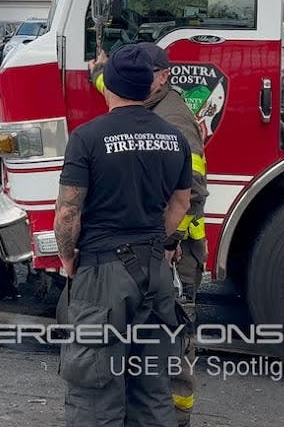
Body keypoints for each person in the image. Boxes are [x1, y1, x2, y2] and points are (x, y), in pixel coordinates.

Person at [54, 44, 192, 427]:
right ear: (148, 86)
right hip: (155, 272)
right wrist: (152, 240)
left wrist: (67, 258)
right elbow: (182, 203)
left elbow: (67, 212)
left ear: (110, 85)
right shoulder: (174, 137)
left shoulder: (87, 137)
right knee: (152, 386)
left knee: (94, 387)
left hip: (103, 275)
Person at [94, 43, 209, 426]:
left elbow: (192, 193)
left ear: (163, 77)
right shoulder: (146, 100)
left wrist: (170, 242)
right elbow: (114, 86)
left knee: (172, 346)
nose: (137, 80)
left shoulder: (174, 120)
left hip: (176, 251)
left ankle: (177, 417)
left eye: (147, 73)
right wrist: (98, 71)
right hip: (150, 249)